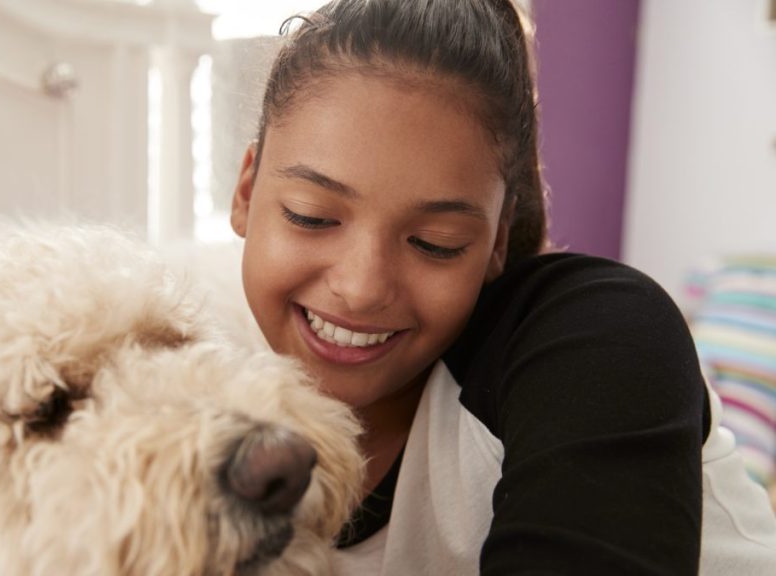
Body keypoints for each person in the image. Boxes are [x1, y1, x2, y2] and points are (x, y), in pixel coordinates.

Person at [226, 0, 776, 573]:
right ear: (246, 191)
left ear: (496, 241)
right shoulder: (205, 386)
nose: (362, 288)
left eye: (435, 242)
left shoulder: (601, 336)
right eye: (311, 215)